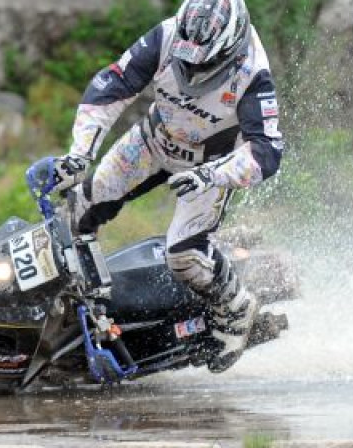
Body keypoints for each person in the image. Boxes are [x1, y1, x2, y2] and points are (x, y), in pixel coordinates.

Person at [51, 0, 284, 373]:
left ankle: (236, 308)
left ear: (231, 47)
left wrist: (213, 175)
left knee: (183, 255)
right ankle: (71, 299)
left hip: (211, 165)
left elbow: (266, 152)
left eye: (202, 62)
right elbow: (111, 86)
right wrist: (79, 154)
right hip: (153, 140)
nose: (191, 68)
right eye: (185, 59)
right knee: (80, 207)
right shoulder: (166, 33)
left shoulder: (253, 72)